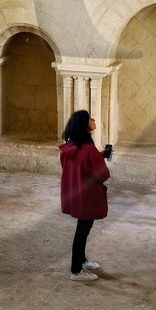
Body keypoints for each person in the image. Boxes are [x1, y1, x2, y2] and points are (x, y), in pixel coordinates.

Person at [59, 109, 110, 281]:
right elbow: (103, 174)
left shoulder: (71, 146)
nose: (93, 120)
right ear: (84, 125)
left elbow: (75, 165)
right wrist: (99, 159)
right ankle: (76, 270)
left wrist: (99, 156)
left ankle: (81, 260)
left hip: (77, 192)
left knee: (83, 229)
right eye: (90, 119)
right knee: (82, 232)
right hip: (88, 195)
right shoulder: (88, 149)